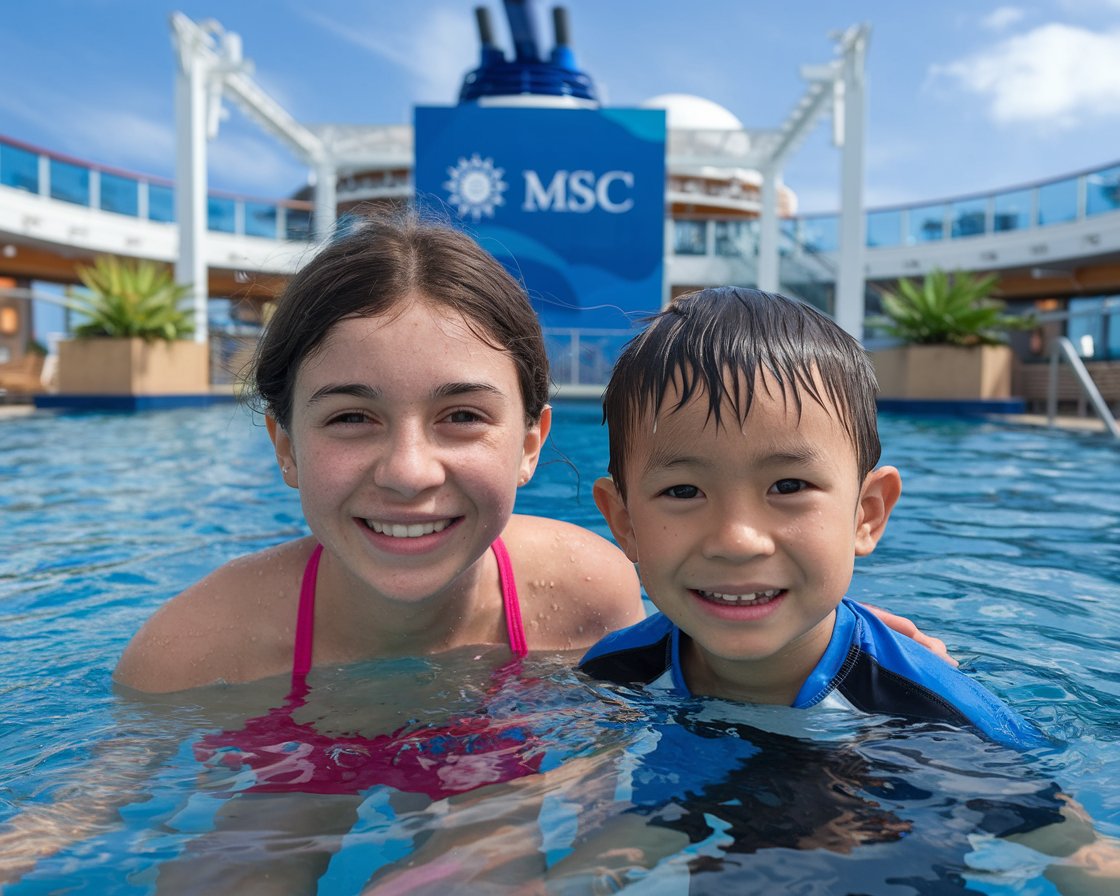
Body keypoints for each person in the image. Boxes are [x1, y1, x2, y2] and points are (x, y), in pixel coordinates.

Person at [570, 285, 1119, 892]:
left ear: (867, 514)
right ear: (624, 523)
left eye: (788, 486)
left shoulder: (938, 717)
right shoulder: (614, 676)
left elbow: (1079, 855)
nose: (738, 540)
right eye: (682, 492)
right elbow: (606, 819)